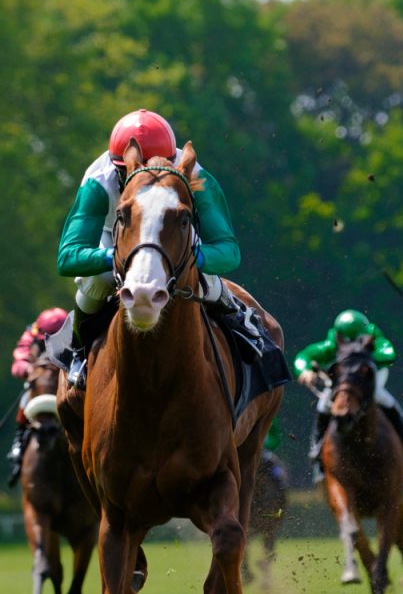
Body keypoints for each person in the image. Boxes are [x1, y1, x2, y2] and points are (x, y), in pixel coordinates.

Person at [55, 109, 257, 388]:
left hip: (172, 232)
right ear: (119, 166)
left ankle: (243, 328)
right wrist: (116, 258)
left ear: (175, 162)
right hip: (115, 234)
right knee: (97, 281)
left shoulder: (198, 178)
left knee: (205, 280)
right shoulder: (97, 182)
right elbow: (68, 257)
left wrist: (193, 259)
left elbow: (228, 251)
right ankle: (79, 352)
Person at [293, 309, 403, 481]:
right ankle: (317, 447)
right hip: (344, 380)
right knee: (324, 403)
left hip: (369, 377)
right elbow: (305, 355)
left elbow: (388, 353)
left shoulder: (373, 335)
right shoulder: (333, 341)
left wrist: (364, 356)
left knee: (381, 396)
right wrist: (304, 369)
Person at [5, 307, 69, 486]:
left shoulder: (74, 333)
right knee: (27, 398)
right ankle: (19, 441)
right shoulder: (31, 334)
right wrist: (28, 369)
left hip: (66, 382)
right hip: (39, 383)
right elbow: (19, 359)